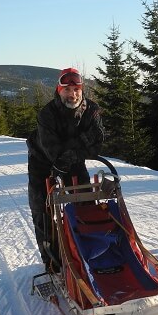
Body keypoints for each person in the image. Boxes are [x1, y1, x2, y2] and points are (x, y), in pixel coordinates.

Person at [26, 67, 104, 266]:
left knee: (85, 201)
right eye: (67, 90)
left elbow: (98, 143)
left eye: (76, 89)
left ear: (82, 90)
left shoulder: (92, 110)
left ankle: (88, 251)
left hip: (73, 161)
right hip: (41, 161)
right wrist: (82, 142)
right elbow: (54, 153)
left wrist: (72, 151)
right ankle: (53, 261)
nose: (73, 94)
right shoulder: (47, 114)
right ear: (59, 90)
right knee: (41, 208)